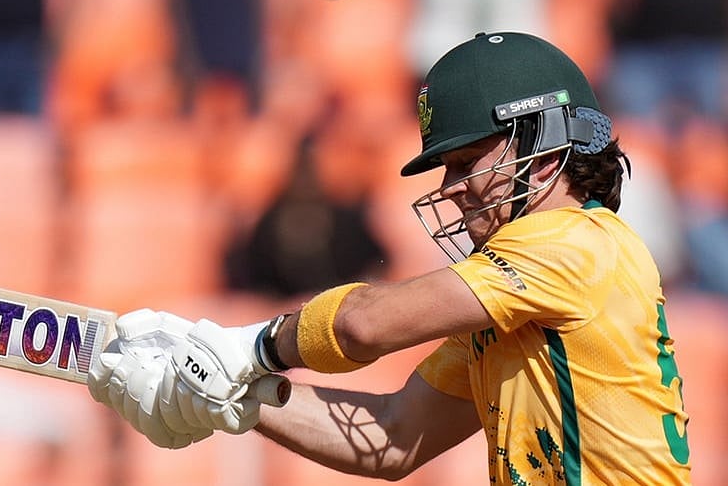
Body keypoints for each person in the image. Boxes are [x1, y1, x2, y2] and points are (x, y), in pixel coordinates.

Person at [87, 32, 692, 484]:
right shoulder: (515, 300)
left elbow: (363, 323)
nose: (451, 186)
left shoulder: (572, 244)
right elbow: (393, 438)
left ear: (540, 149)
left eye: (467, 161)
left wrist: (249, 348)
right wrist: (234, 399)